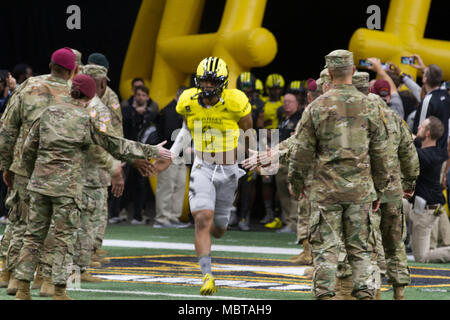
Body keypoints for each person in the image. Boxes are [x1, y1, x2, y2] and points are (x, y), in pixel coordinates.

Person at [13, 74, 171, 300]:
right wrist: (151, 150)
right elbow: (113, 145)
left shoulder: (46, 113)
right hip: (66, 188)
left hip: (39, 184)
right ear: (89, 96)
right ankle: (58, 290)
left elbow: (28, 149)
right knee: (64, 238)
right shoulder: (84, 119)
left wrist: (32, 176)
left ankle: (22, 289)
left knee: (33, 237)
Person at [288, 50, 390, 300]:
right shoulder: (370, 104)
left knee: (326, 252)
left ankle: (325, 296)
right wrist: (379, 188)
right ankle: (366, 296)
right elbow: (380, 152)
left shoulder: (316, 106)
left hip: (326, 192)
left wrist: (296, 182)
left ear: (329, 73)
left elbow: (301, 151)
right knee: (360, 252)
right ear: (353, 71)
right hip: (361, 191)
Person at [154, 57, 254, 296]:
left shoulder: (236, 100)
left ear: (223, 82)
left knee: (219, 227)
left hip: (229, 169)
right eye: (204, 81)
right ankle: (207, 275)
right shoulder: (188, 99)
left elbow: (248, 129)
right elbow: (187, 128)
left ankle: (224, 216)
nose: (207, 86)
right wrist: (172, 154)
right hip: (203, 166)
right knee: (202, 219)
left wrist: (254, 156)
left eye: (212, 81)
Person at [0, 48, 77, 296]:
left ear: (50, 64)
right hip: (59, 170)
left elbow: (7, 127)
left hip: (24, 166)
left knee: (22, 221)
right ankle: (45, 281)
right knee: (56, 226)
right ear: (71, 69)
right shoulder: (74, 93)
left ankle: (13, 277)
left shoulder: (28, 86)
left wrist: (6, 163)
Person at [404, 116, 450, 263]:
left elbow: (413, 149)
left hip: (425, 212)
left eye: (422, 127)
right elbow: (415, 140)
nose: (418, 128)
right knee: (392, 202)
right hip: (418, 207)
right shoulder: (437, 151)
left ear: (428, 133)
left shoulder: (426, 157)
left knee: (422, 257)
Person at [154, 86, 190, 228]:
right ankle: (162, 218)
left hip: (180, 155)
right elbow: (171, 134)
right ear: (179, 96)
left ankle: (174, 217)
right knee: (166, 186)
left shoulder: (182, 111)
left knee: (179, 186)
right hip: (168, 153)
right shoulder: (170, 111)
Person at [412, 64, 450, 152]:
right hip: (441, 149)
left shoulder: (428, 100)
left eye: (424, 73)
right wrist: (424, 68)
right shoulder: (445, 95)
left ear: (425, 79)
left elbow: (420, 130)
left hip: (426, 152)